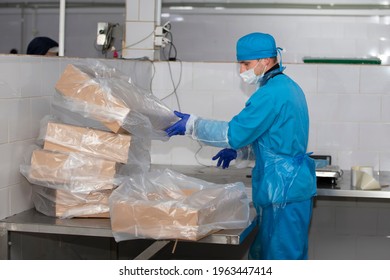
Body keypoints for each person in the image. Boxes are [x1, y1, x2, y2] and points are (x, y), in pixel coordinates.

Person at [164, 32, 317, 260]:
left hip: (282, 192)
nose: (241, 70)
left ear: (265, 60)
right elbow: (273, 139)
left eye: (245, 63)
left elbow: (232, 133)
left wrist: (192, 125)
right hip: (287, 187)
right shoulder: (286, 87)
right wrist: (241, 150)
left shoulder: (271, 94)